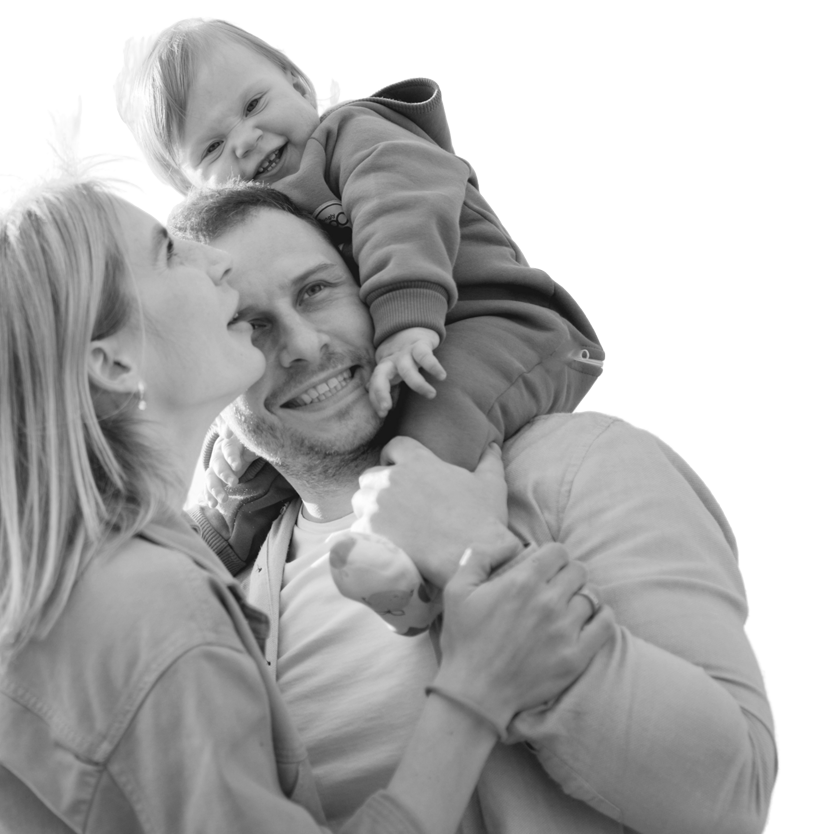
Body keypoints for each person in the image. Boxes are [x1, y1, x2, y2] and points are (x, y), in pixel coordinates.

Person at [0, 107, 614, 833]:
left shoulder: (73, 592)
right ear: (109, 361)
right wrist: (476, 693)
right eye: (169, 251)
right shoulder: (148, 618)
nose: (214, 262)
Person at [166, 182, 780, 834]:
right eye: (249, 325)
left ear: (375, 288)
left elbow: (732, 799)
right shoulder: (226, 600)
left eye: (317, 290)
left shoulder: (582, 464)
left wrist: (482, 557)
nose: (304, 345)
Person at [113, 18, 607, 624]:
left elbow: (402, 209)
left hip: (495, 323)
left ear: (301, 84)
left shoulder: (359, 136)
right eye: (211, 147)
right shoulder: (264, 227)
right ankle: (208, 549)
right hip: (412, 337)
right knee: (252, 443)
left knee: (436, 420)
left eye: (254, 103)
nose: (245, 139)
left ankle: (411, 570)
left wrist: (403, 317)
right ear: (183, 188)